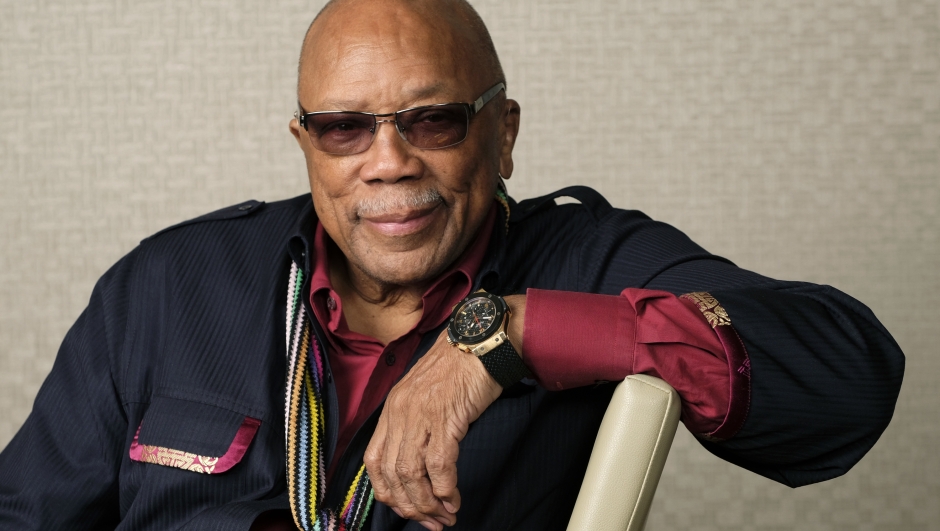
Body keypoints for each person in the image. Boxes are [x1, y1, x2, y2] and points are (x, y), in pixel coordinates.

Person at [0, 0, 904, 530]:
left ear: (502, 134)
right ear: (305, 145)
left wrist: (508, 333)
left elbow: (848, 376)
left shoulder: (590, 259)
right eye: (345, 128)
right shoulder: (166, 283)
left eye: (432, 120)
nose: (388, 162)